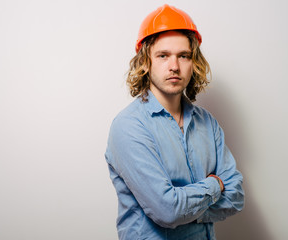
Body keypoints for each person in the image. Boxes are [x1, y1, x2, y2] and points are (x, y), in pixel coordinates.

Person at [105, 4, 244, 240]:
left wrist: (186, 207)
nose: (174, 66)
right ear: (146, 62)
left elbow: (236, 195)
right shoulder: (129, 127)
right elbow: (167, 211)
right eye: (163, 55)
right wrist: (214, 186)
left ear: (194, 62)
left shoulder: (207, 123)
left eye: (184, 56)